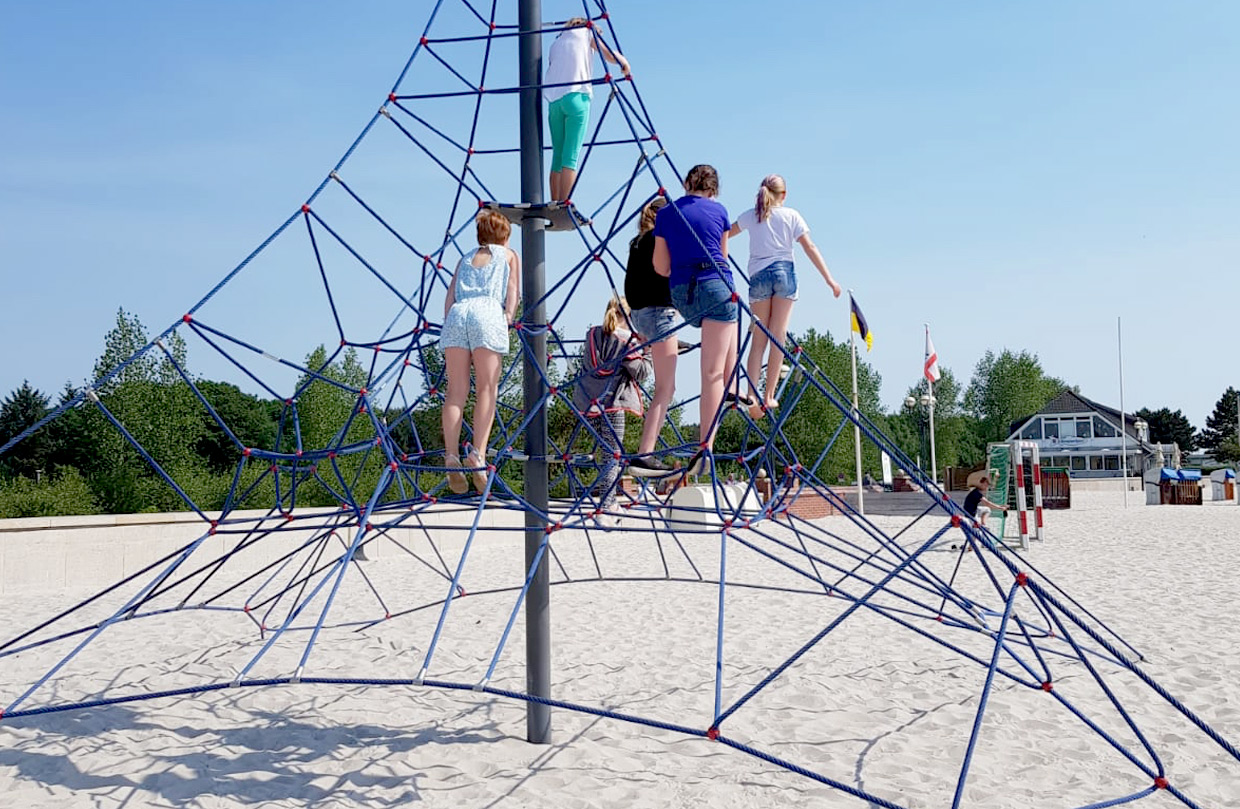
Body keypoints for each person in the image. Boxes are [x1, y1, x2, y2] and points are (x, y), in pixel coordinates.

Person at [728, 174, 841, 420]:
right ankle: (769, 395)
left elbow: (725, 234)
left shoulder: (752, 215)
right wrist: (829, 279)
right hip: (783, 272)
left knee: (759, 338)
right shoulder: (792, 215)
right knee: (777, 335)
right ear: (784, 195)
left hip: (758, 275)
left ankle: (752, 395)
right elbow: (810, 247)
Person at [652, 164, 740, 473]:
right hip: (717, 287)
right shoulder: (720, 212)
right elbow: (724, 259)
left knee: (726, 326)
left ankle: (733, 384)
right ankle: (706, 447)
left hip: (682, 295)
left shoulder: (666, 213)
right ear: (714, 190)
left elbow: (660, 267)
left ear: (686, 183)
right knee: (712, 373)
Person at [440, 209, 521, 494]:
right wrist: (508, 319)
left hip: (458, 316)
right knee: (487, 388)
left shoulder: (463, 258)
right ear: (505, 235)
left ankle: (451, 455)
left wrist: (451, 324)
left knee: (455, 392)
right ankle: (477, 454)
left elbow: (449, 299)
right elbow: (513, 293)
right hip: (487, 313)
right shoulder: (509, 256)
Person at [572, 296, 650, 514]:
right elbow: (642, 372)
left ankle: (607, 498)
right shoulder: (627, 341)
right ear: (630, 316)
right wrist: (649, 350)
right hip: (613, 403)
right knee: (613, 454)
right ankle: (607, 503)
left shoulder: (594, 334)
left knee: (605, 453)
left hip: (588, 402)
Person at [544, 17, 630, 202]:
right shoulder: (587, 32)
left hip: (553, 103)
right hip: (577, 97)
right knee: (571, 155)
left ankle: (554, 202)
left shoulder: (557, 41)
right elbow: (607, 52)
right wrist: (624, 63)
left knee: (557, 155)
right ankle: (564, 204)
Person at [624, 196, 678, 476]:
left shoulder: (636, 242)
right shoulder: (659, 240)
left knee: (661, 383)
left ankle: (645, 450)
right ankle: (645, 452)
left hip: (640, 316)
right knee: (666, 389)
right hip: (659, 315)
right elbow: (667, 273)